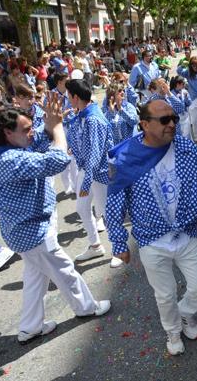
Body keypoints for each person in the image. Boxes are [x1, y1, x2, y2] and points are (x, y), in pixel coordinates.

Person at [105, 99, 197, 356]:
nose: (172, 124)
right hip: (151, 241)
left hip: (186, 234)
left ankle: (186, 313)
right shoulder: (125, 158)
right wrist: (119, 242)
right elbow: (114, 204)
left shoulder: (185, 147)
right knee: (165, 295)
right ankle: (172, 330)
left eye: (174, 118)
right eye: (164, 120)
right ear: (144, 125)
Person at [0, 101, 111, 344]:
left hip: (22, 230)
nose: (32, 132)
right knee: (65, 272)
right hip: (33, 231)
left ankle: (30, 327)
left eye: (31, 127)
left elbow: (37, 140)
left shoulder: (2, 149)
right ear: (8, 133)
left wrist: (50, 125)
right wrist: (58, 129)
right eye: (26, 129)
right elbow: (57, 161)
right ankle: (86, 307)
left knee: (34, 279)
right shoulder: (8, 159)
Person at [64, 79, 119, 268]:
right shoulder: (82, 114)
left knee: (107, 212)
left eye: (68, 95)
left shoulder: (93, 118)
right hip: (86, 171)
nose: (67, 99)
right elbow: (78, 140)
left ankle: (118, 249)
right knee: (82, 208)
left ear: (75, 97)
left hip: (100, 172)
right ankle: (95, 245)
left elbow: (95, 154)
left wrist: (86, 182)